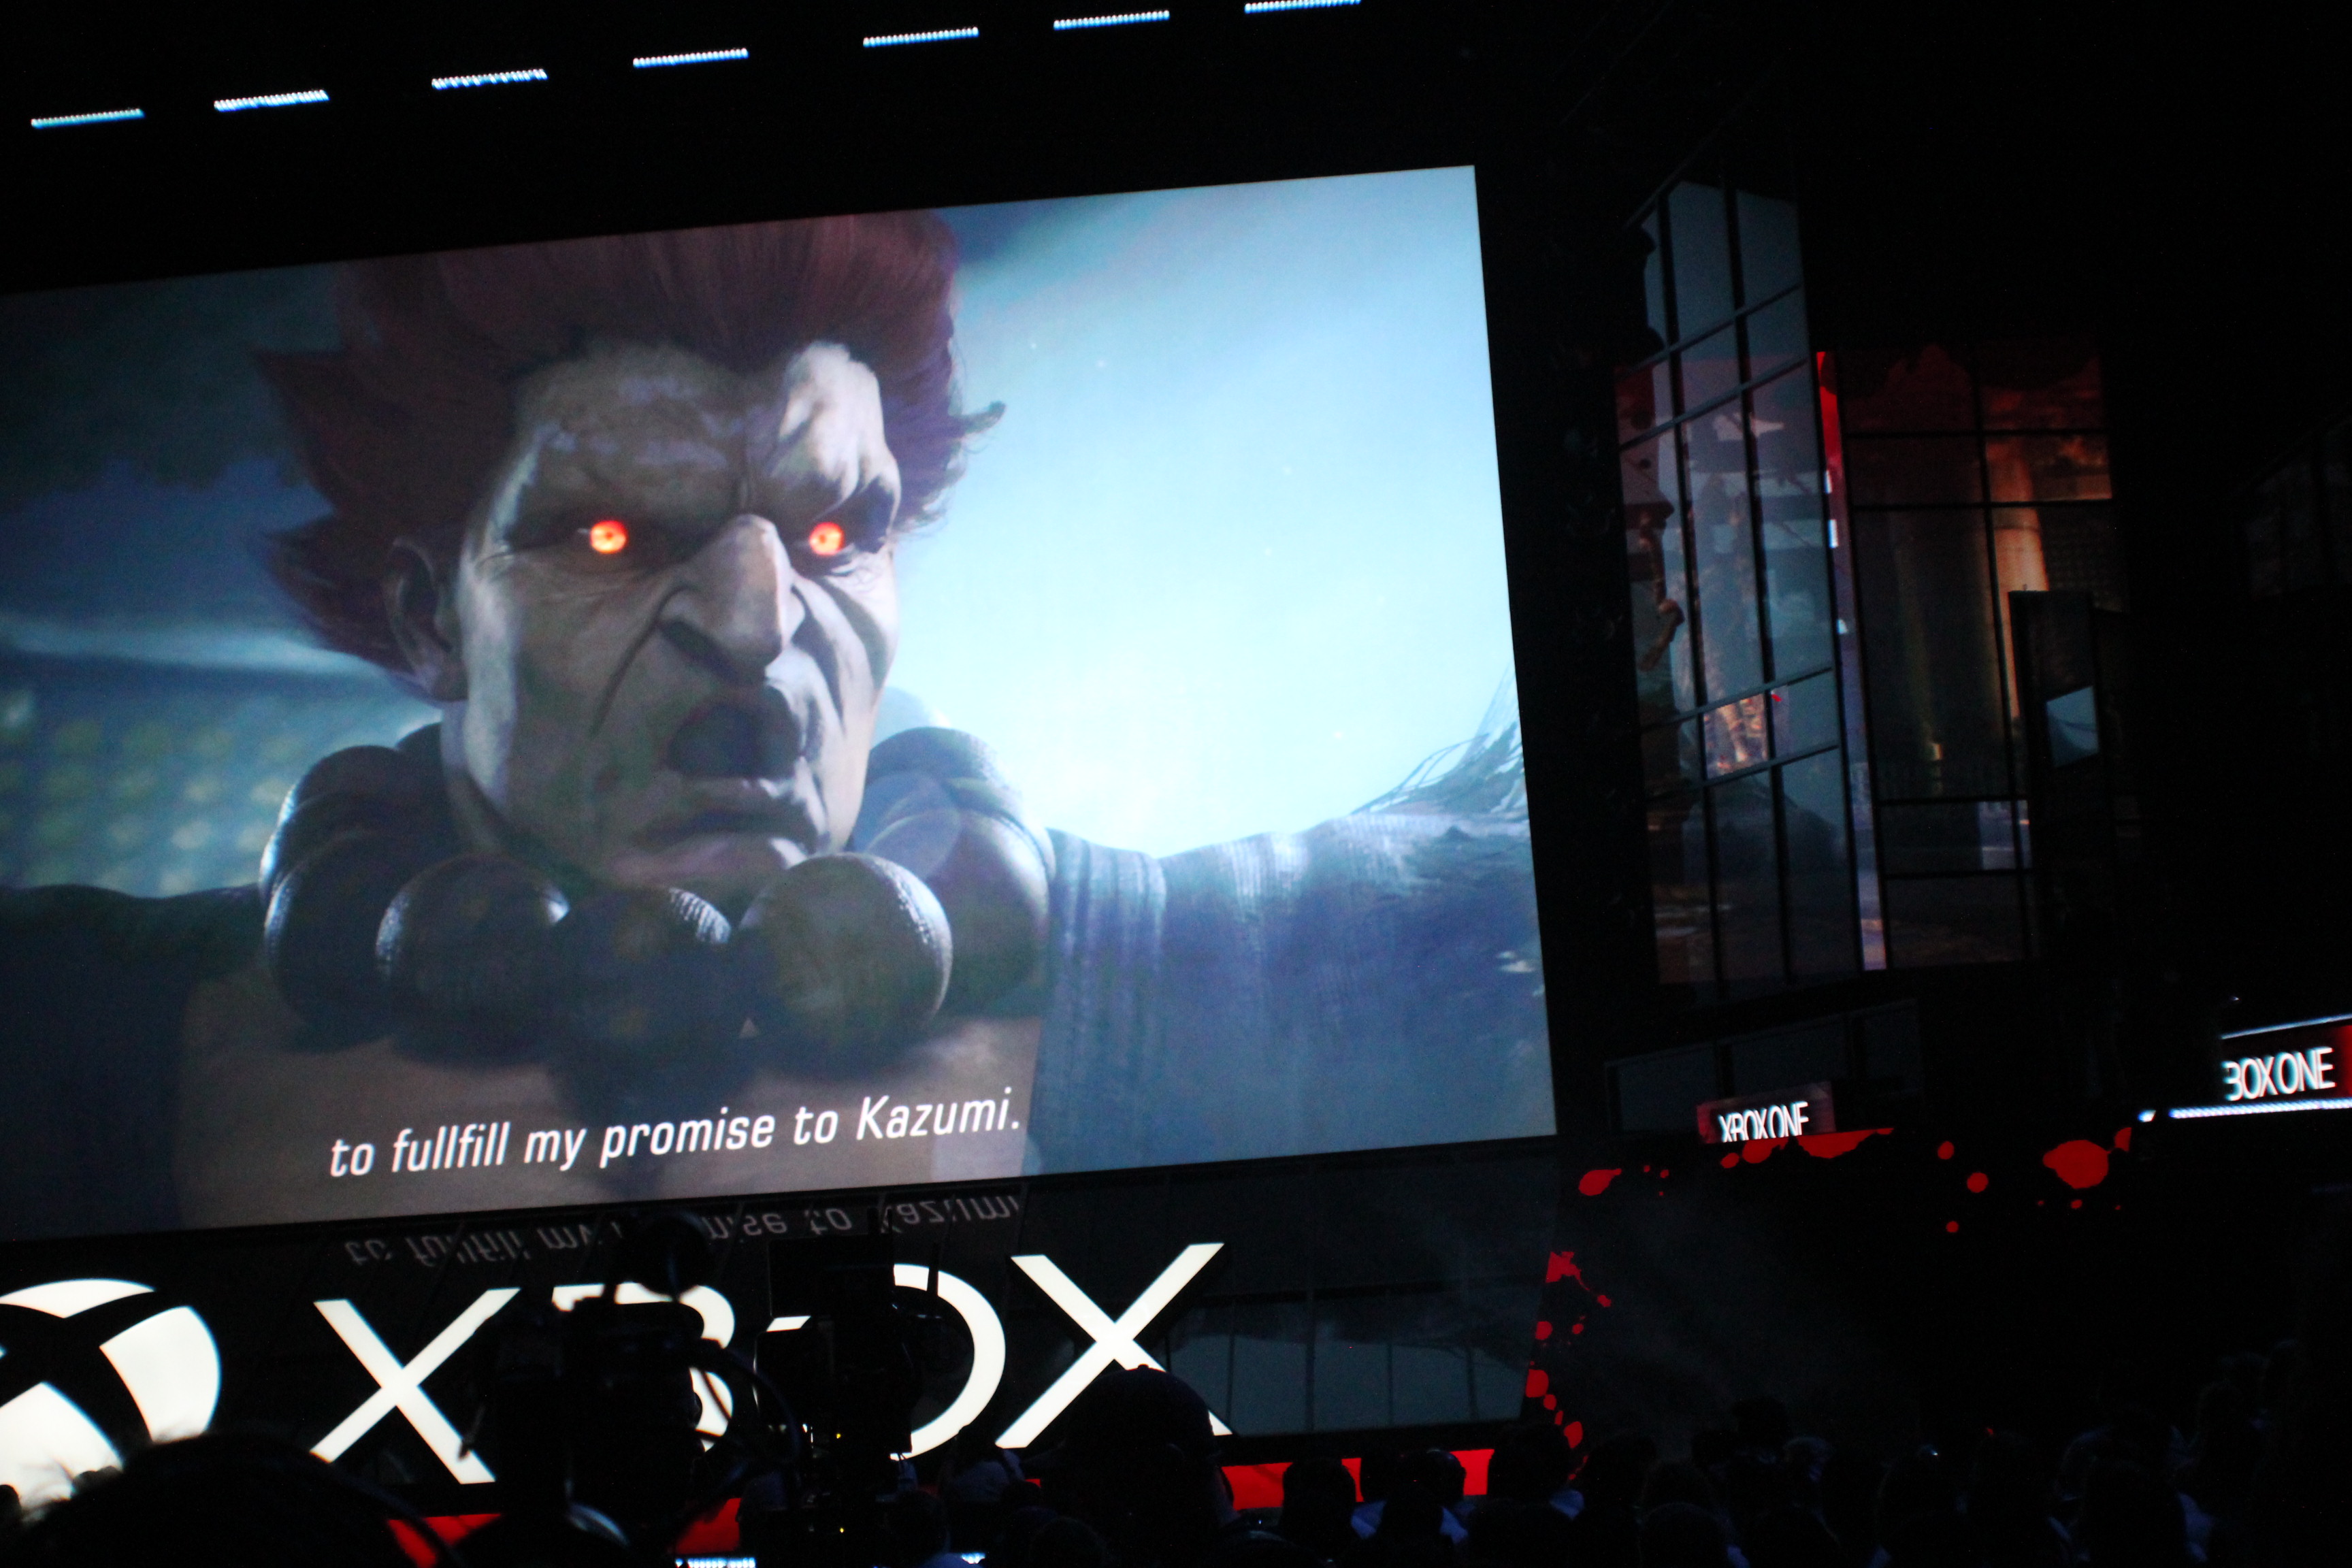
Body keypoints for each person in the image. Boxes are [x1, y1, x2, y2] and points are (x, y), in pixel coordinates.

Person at [0, 214, 1548, 1239]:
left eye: (831, 537)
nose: (755, 627)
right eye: (612, 536)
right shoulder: (64, 1031)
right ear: (428, 621)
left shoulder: (1274, 976)